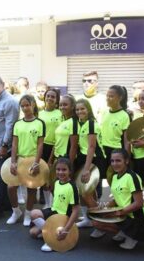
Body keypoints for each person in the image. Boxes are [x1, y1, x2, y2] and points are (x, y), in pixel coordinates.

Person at [91, 149, 144, 250]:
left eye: (118, 161)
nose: (114, 164)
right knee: (96, 222)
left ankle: (133, 237)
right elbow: (117, 198)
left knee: (101, 221)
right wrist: (105, 208)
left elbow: (139, 203)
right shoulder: (115, 177)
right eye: (112, 161)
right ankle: (124, 233)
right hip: (123, 214)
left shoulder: (132, 177)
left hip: (136, 218)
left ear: (126, 161)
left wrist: (119, 213)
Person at [8, 95, 45, 226]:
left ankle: (28, 215)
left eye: (27, 105)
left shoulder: (40, 123)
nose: (25, 108)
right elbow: (14, 145)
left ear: (33, 105)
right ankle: (16, 211)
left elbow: (40, 145)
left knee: (31, 189)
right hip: (20, 159)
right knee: (11, 187)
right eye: (22, 106)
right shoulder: (18, 124)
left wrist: (36, 162)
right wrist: (13, 161)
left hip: (32, 160)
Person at [29, 157, 80, 252]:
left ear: (70, 171)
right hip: (54, 212)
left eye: (64, 169)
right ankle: (50, 232)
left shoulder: (72, 187)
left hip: (63, 216)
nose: (60, 172)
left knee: (34, 215)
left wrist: (66, 229)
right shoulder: (56, 182)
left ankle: (51, 238)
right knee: (33, 232)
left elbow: (76, 210)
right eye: (58, 169)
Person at [0, 76, 20, 221]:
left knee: (3, 177)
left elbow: (11, 126)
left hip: (5, 146)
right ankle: (7, 205)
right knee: (4, 176)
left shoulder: (10, 102)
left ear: (3, 85)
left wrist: (4, 146)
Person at [74, 98, 105, 228]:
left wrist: (87, 169)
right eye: (77, 109)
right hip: (85, 158)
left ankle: (100, 224)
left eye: (82, 109)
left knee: (87, 192)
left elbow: (92, 147)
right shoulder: (81, 123)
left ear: (88, 109)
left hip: (94, 160)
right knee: (84, 191)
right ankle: (87, 219)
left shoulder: (91, 124)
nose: (80, 111)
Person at [100, 85, 131, 180]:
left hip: (115, 152)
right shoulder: (104, 112)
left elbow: (127, 140)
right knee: (100, 179)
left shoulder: (124, 116)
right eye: (107, 96)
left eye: (111, 96)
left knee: (115, 180)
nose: (108, 99)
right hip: (102, 151)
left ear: (120, 98)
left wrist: (127, 158)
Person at [38, 88, 62, 207]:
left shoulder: (60, 113)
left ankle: (55, 201)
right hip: (42, 146)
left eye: (53, 97)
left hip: (55, 146)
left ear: (57, 100)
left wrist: (52, 157)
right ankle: (46, 201)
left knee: (53, 174)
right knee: (43, 173)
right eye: (48, 96)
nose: (50, 98)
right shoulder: (39, 114)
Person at [49, 95, 78, 166]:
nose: (62, 107)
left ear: (72, 106)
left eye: (65, 105)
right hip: (57, 159)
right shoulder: (63, 121)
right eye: (60, 105)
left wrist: (69, 166)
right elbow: (56, 142)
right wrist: (50, 160)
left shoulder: (74, 122)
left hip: (66, 160)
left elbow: (74, 146)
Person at [131, 89, 144, 186]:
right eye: (138, 99)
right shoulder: (139, 115)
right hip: (137, 157)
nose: (140, 101)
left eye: (143, 99)